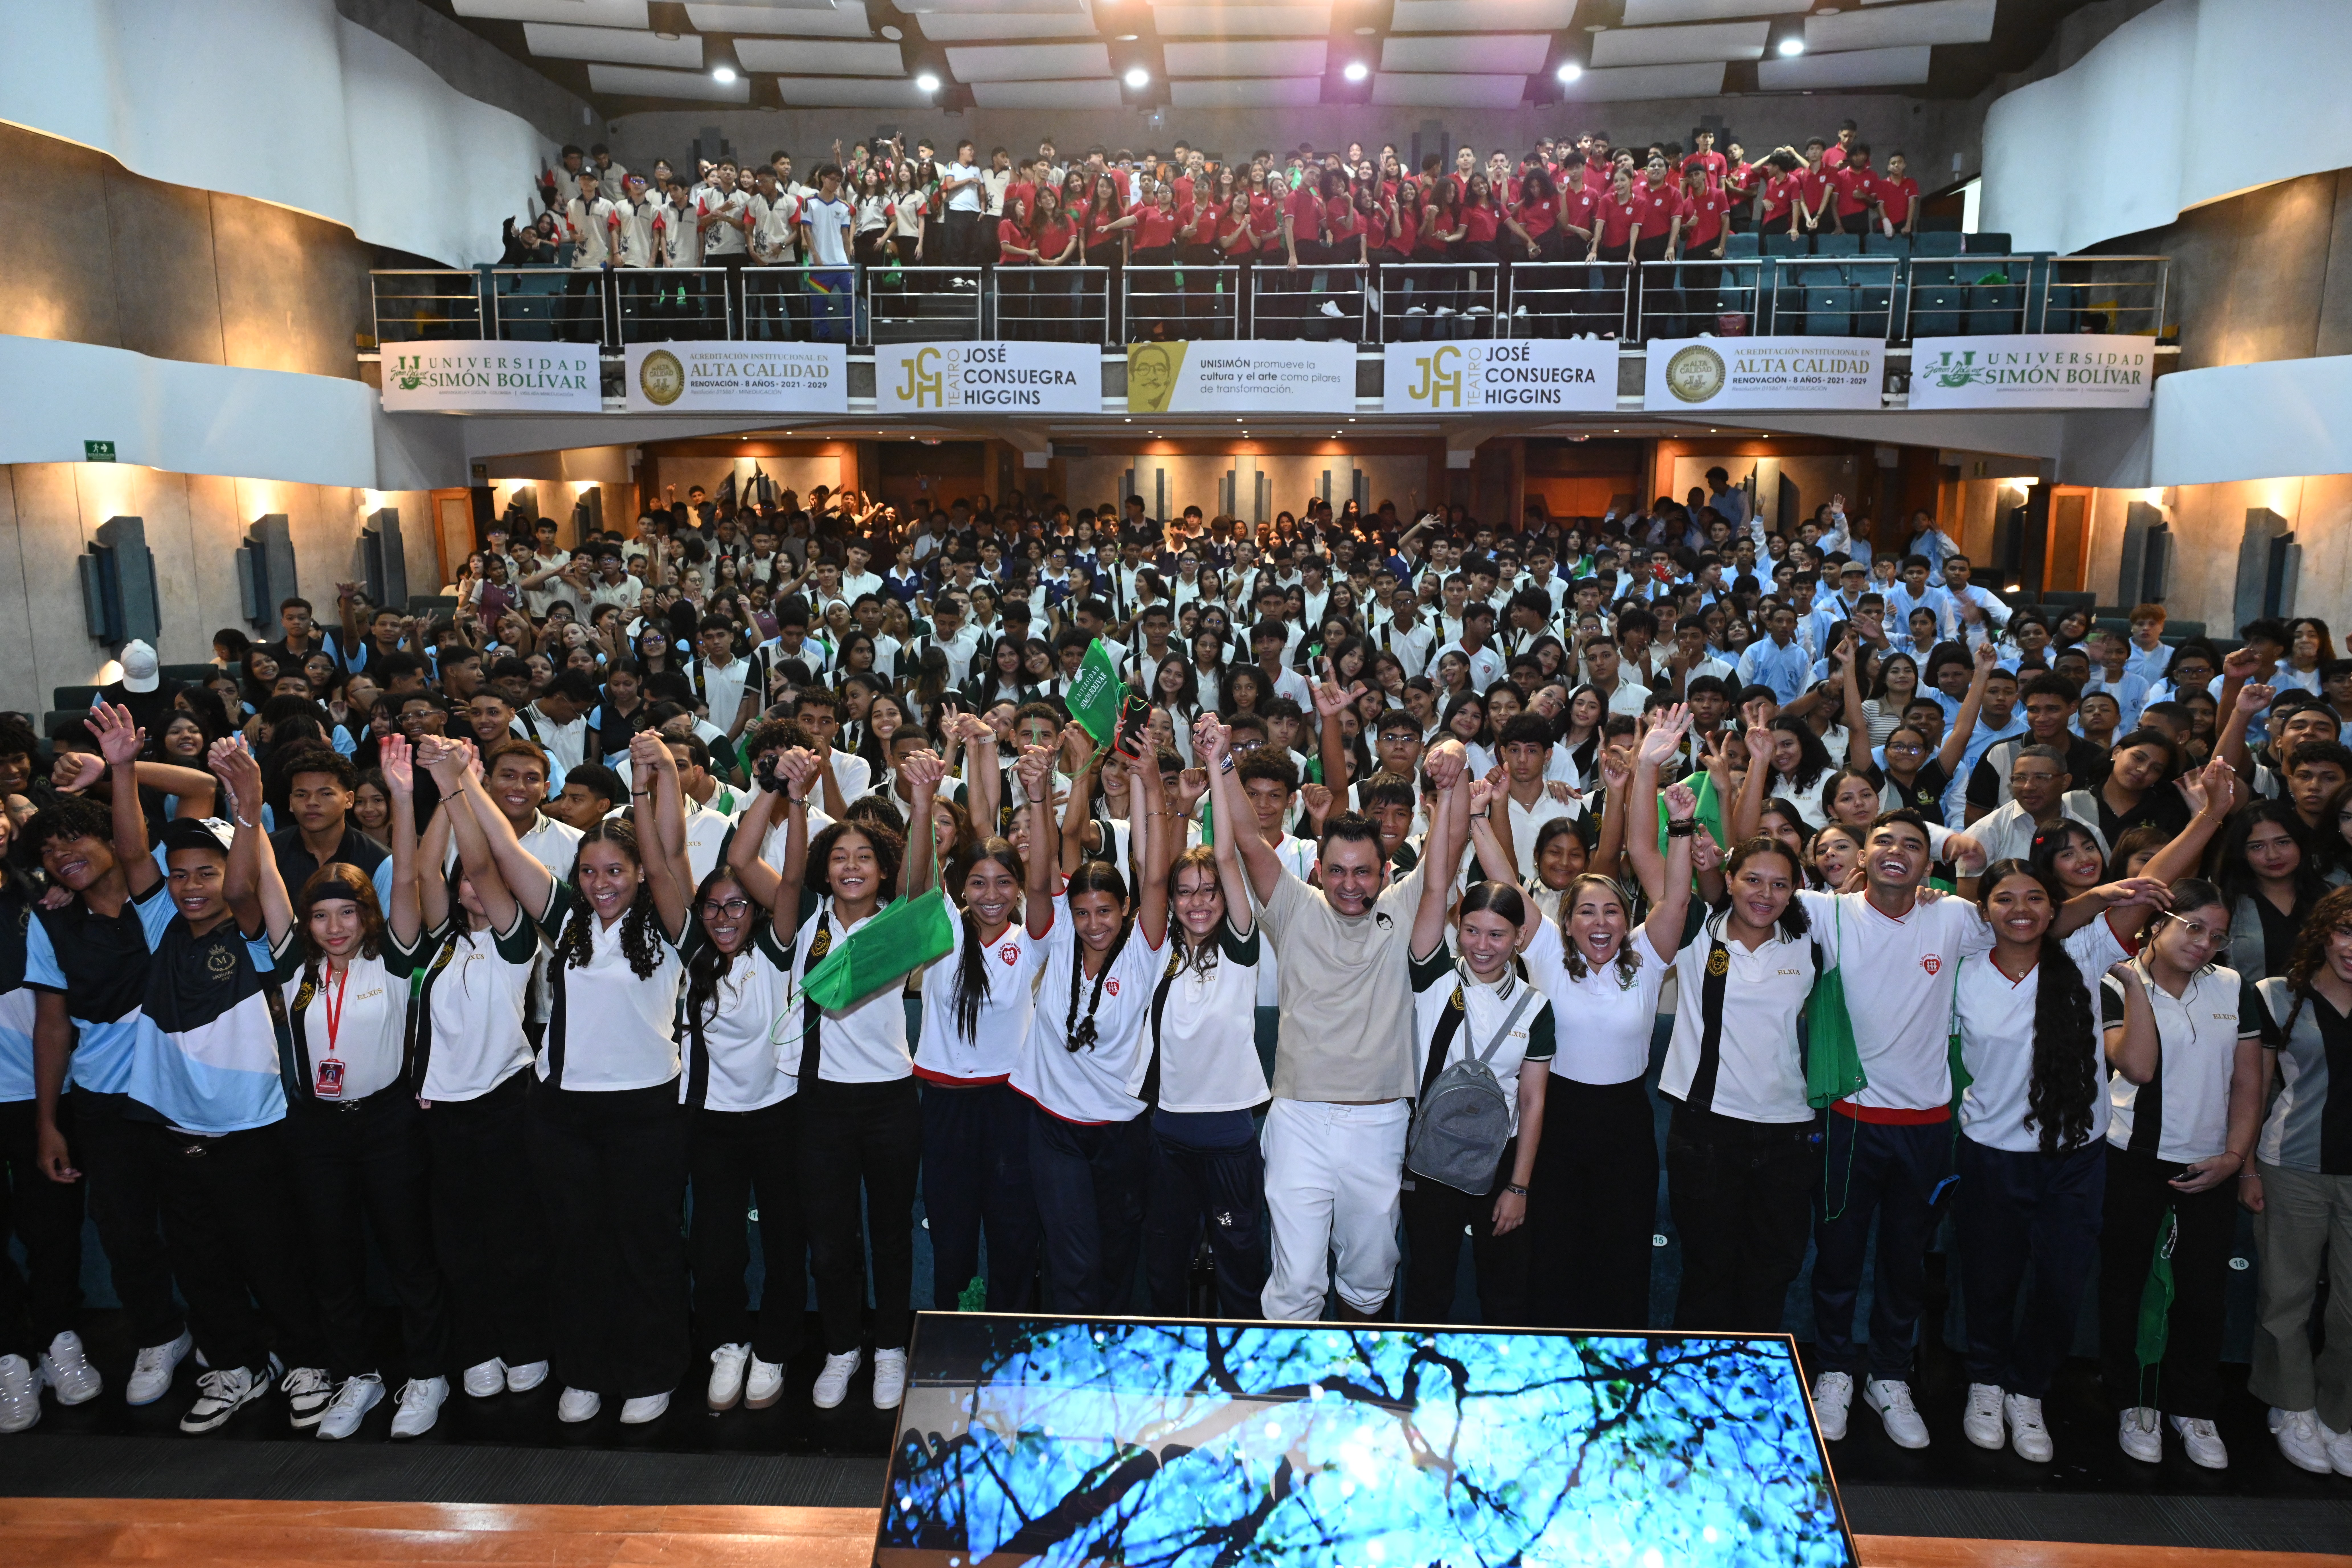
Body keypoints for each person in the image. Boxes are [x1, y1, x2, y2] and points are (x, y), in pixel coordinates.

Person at [430, 730, 692, 1428]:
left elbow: (668, 854)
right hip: (562, 1115)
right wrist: (461, 784)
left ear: (637, 876)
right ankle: (584, 1370)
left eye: (615, 872)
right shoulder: (569, 923)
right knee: (577, 1248)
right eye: (590, 872)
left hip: (645, 1114)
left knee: (645, 1247)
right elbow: (502, 857)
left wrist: (651, 778)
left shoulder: (667, 924)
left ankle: (650, 1371)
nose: (602, 884)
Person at [89, 709, 332, 1434]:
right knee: (201, 1259)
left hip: (255, 1131)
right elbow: (135, 856)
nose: (193, 886)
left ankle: (305, 1357)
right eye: (183, 874)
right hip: (170, 1128)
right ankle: (234, 1364)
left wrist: (249, 811)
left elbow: (243, 889)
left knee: (274, 1255)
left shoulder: (260, 939)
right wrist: (122, 768)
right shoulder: (162, 921)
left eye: (209, 871)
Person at [730, 744, 919, 1412]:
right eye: (839, 857)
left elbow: (922, 876)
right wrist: (794, 798)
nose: (850, 866)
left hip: (892, 1099)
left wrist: (922, 802)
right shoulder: (802, 921)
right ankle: (843, 1348)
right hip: (819, 1105)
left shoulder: (900, 923)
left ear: (884, 868)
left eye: (864, 857)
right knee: (832, 1237)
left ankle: (892, 1347)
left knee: (892, 1233)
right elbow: (741, 862)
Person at [279, 734, 452, 1441]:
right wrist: (247, 804)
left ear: (368, 915)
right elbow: (260, 880)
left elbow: (408, 873)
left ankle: (427, 1373)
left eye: (347, 913)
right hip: (318, 1128)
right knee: (333, 1256)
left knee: (409, 1253)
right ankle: (357, 1375)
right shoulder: (293, 965)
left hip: (388, 1123)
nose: (334, 926)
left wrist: (405, 797)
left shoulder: (394, 957)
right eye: (321, 915)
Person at [1506, 710, 1697, 1329]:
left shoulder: (1646, 957)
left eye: (1611, 910)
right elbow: (1507, 884)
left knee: (1620, 1259)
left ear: (1626, 918)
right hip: (1559, 1123)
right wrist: (1480, 815)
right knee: (1554, 1257)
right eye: (1586, 910)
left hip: (1624, 1126)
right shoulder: (1550, 960)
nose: (1600, 921)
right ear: (1569, 921)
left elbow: (1676, 890)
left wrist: (1654, 777)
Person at [1950, 859, 2136, 1465]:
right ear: (1985, 912)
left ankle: (2028, 1390)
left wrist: (2211, 815)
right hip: (1993, 1155)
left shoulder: (2082, 955)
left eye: (2036, 897)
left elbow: (2145, 889)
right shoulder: (1963, 971)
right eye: (2005, 898)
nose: (2021, 908)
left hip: (2075, 1157)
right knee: (1989, 1279)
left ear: (2057, 910)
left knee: (2060, 1285)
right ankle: (1985, 1383)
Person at [2100, 879, 2266, 1470]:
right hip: (2131, 1158)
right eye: (2193, 927)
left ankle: (2193, 1405)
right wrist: (2136, 985)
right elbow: (2135, 1067)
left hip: (2211, 1163)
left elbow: (2249, 1081)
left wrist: (2234, 1155)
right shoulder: (2114, 980)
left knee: (2203, 1294)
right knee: (2125, 1286)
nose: (2205, 944)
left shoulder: (2232, 986)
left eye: (2217, 935)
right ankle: (2133, 1400)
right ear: (2159, 922)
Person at [407, 738, 550, 1404]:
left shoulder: (514, 942)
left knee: (516, 1238)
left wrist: (460, 782)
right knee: (458, 1244)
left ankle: (526, 1344)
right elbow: (422, 873)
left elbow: (485, 867)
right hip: (441, 1114)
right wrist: (441, 789)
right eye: (463, 879)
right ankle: (480, 1347)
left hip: (506, 1105)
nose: (469, 884)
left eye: (479, 878)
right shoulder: (439, 947)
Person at [1008, 733, 1169, 1313]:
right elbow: (1041, 872)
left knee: (1118, 1253)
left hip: (1122, 1130)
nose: (1093, 923)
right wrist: (1036, 796)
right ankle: (1072, 1365)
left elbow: (1154, 876)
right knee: (1073, 1257)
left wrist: (1150, 781)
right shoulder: (1054, 938)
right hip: (1054, 1127)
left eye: (1105, 910)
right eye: (1082, 912)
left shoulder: (1144, 950)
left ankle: (1108, 1359)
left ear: (1124, 910)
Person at [901, 740, 1047, 1316]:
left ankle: (1010, 1335)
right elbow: (916, 886)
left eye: (1004, 883)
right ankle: (951, 1339)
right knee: (953, 1235)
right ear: (962, 887)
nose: (992, 896)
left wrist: (1038, 799)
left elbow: (1045, 885)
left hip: (1012, 1107)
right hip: (945, 1109)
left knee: (1014, 1235)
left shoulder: (1033, 940)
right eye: (979, 883)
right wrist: (923, 799)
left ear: (1018, 889)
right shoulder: (942, 931)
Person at [1400, 776, 1550, 1326]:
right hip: (1432, 1159)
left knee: (1504, 1293)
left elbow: (1532, 1104)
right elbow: (1435, 885)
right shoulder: (1434, 974)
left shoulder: (1536, 1007)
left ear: (1518, 939)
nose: (1482, 946)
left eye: (1497, 935)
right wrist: (1451, 798)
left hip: (1500, 1162)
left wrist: (1519, 1187)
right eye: (1472, 932)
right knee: (1428, 1288)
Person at [1661, 834, 1818, 1335]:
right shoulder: (1697, 933)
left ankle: (1755, 1391)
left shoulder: (1812, 942)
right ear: (1729, 881)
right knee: (1707, 1270)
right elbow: (1647, 858)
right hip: (1706, 1131)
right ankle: (1692, 1389)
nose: (1764, 894)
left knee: (1771, 1272)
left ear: (1796, 890)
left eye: (1779, 884)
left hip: (1788, 1135)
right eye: (1752, 880)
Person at [1142, 734, 1269, 1318]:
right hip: (1167, 1136)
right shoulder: (1158, 949)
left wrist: (1221, 766)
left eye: (1209, 893)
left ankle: (1245, 1373)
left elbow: (1225, 855)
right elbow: (1157, 872)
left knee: (1239, 1258)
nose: (1197, 903)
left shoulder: (1242, 948)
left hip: (1228, 1138)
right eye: (1185, 894)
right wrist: (1177, 807)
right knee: (1165, 1260)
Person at [2246, 885, 2352, 1474]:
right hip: (2292, 1165)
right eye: (2345, 930)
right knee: (2285, 1298)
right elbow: (2255, 1087)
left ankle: (2342, 1414)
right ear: (2325, 933)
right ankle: (2292, 1406)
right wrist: (2247, 1166)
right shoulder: (2277, 995)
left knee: (2351, 1309)